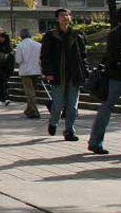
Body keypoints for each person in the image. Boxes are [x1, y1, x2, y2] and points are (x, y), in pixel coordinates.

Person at [41, 8, 87, 142]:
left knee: (72, 106)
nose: (65, 17)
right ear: (57, 19)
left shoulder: (77, 35)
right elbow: (45, 56)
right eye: (62, 15)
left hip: (74, 75)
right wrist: (48, 72)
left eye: (67, 15)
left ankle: (69, 131)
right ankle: (53, 122)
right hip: (57, 75)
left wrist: (85, 71)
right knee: (59, 104)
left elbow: (83, 56)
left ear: (71, 18)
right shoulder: (51, 36)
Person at [88, 5, 121, 154]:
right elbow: (111, 56)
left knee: (106, 109)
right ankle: (95, 142)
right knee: (106, 109)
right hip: (115, 77)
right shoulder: (114, 34)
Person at [15, 29, 42, 119]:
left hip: (25, 71)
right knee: (33, 91)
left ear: (21, 36)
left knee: (29, 92)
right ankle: (29, 109)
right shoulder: (38, 45)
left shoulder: (20, 45)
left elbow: (18, 60)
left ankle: (34, 111)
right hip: (36, 70)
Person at [0, 32, 15, 106]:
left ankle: (4, 98)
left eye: (2, 37)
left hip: (6, 67)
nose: (0, 39)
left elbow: (11, 57)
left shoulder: (8, 46)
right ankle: (2, 98)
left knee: (4, 83)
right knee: (1, 83)